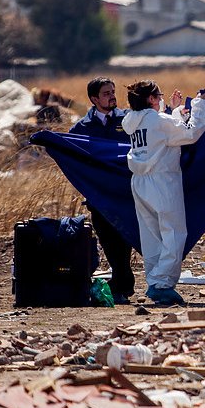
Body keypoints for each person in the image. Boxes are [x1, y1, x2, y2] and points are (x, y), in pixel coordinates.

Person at [122, 81, 205, 306]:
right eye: (158, 95)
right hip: (162, 180)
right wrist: (200, 105)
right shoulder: (159, 120)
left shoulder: (133, 121)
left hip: (140, 181)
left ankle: (154, 280)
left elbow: (163, 131)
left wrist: (173, 111)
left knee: (151, 234)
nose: (160, 98)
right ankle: (162, 283)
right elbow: (190, 133)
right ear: (151, 99)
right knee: (174, 232)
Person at [69, 77, 136, 304]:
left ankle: (122, 283)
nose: (112, 96)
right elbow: (71, 152)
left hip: (124, 194)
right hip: (98, 196)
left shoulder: (127, 120)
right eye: (106, 93)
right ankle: (122, 282)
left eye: (113, 92)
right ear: (94, 99)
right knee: (107, 239)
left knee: (124, 238)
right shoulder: (83, 127)